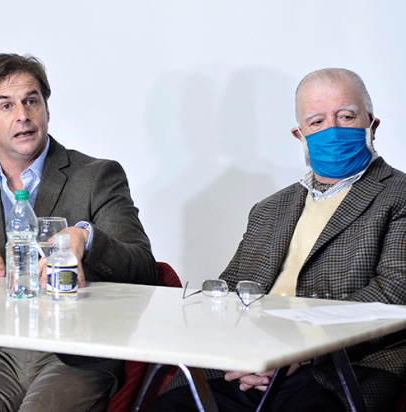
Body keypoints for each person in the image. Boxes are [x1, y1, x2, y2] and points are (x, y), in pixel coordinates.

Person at [0, 53, 157, 412]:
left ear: (47, 111)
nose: (22, 115)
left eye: (31, 101)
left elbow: (145, 267)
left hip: (75, 354)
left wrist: (86, 238)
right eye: (6, 105)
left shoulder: (96, 177)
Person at [152, 68, 406, 412]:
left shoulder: (399, 195)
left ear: (372, 125)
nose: (331, 129)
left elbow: (394, 290)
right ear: (299, 134)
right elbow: (228, 290)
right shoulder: (270, 208)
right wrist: (236, 351)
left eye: (346, 116)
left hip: (336, 370)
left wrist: (295, 350)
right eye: (316, 122)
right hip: (240, 367)